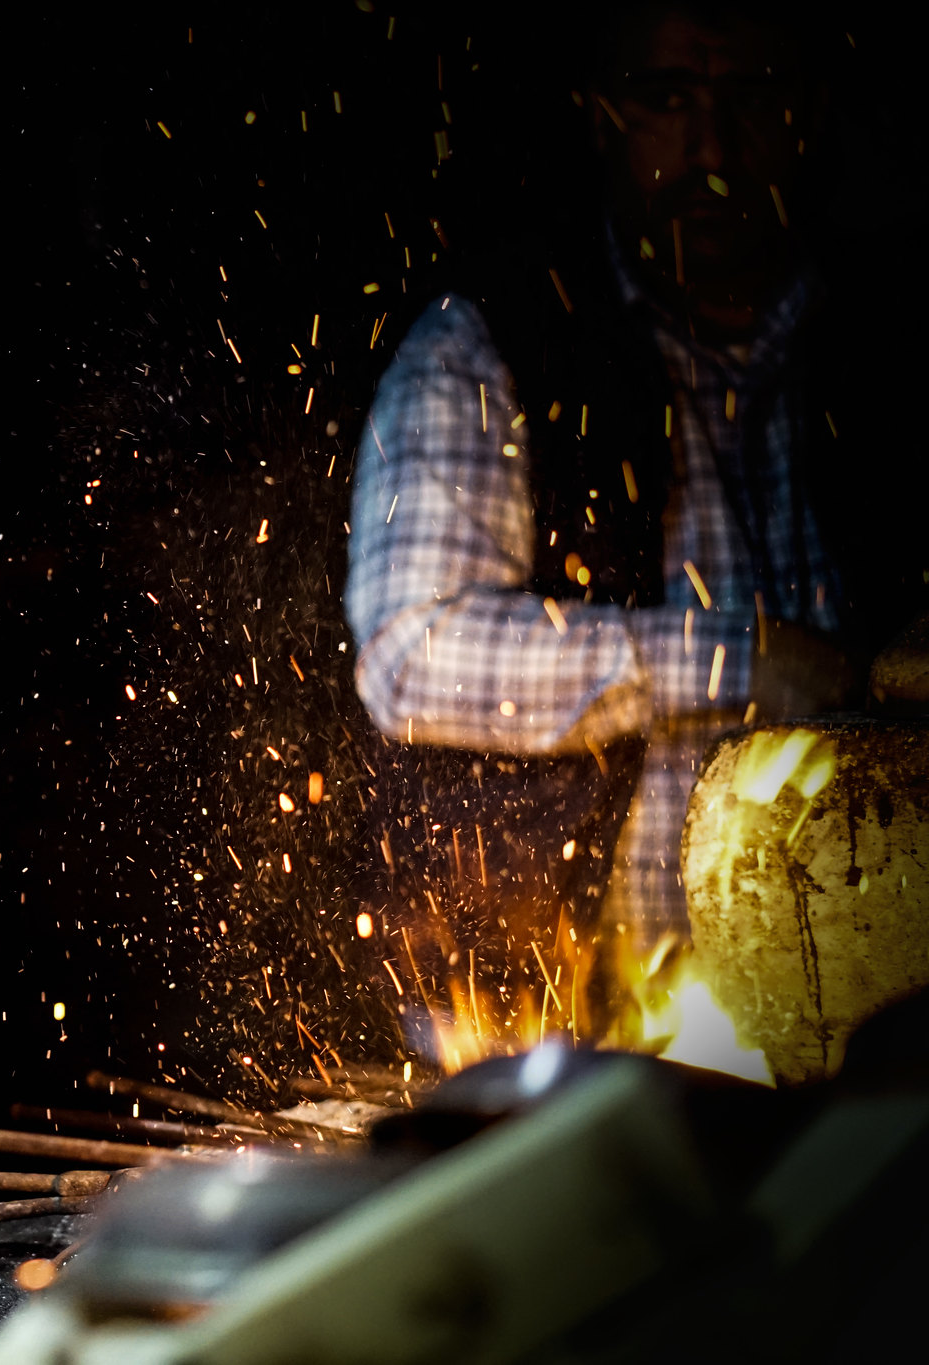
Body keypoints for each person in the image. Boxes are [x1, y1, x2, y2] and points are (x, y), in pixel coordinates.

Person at [345, 2, 869, 1015]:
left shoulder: (880, 345)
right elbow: (410, 657)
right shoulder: (492, 345)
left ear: (804, 112)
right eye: (666, 97)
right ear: (602, 116)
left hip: (855, 1028)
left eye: (749, 97)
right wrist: (737, 661)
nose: (710, 145)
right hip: (565, 1032)